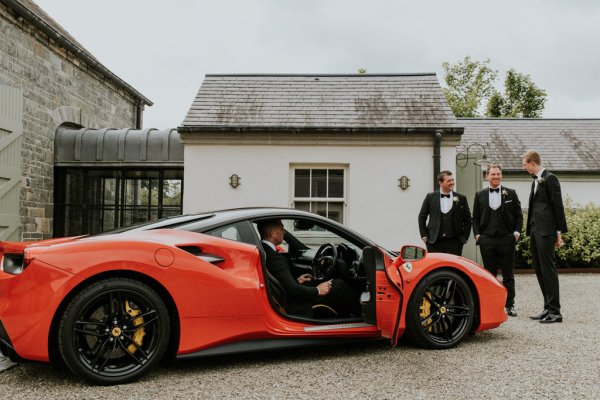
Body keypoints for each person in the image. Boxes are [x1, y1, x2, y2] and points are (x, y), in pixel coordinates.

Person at [257, 219, 359, 318]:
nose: (284, 231)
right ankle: (360, 315)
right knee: (339, 285)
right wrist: (318, 290)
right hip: (295, 306)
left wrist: (297, 281)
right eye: (281, 228)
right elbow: (294, 290)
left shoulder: (265, 252)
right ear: (273, 233)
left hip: (287, 298)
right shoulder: (275, 258)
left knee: (321, 283)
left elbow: (280, 283)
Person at [522, 150, 568, 324]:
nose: (523, 167)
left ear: (532, 163)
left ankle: (555, 312)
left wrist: (558, 233)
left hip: (546, 231)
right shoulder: (535, 181)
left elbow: (558, 207)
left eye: (525, 164)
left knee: (548, 269)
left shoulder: (550, 179)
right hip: (534, 231)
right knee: (539, 269)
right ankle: (547, 308)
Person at [473, 164, 523, 317]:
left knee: (508, 274)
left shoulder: (511, 193)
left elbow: (519, 215)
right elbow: (475, 217)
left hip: (506, 238)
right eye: (492, 174)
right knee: (489, 275)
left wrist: (516, 233)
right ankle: (491, 305)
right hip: (487, 239)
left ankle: (510, 305)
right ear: (487, 176)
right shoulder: (480, 195)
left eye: (498, 174)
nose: (495, 177)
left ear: (501, 176)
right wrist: (478, 235)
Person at [418, 171, 472, 256]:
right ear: (440, 182)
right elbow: (422, 217)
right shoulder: (430, 197)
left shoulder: (461, 198)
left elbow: (468, 219)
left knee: (453, 267)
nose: (452, 183)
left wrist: (464, 238)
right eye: (449, 181)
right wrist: (424, 236)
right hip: (434, 241)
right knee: (435, 266)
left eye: (453, 180)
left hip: (455, 242)